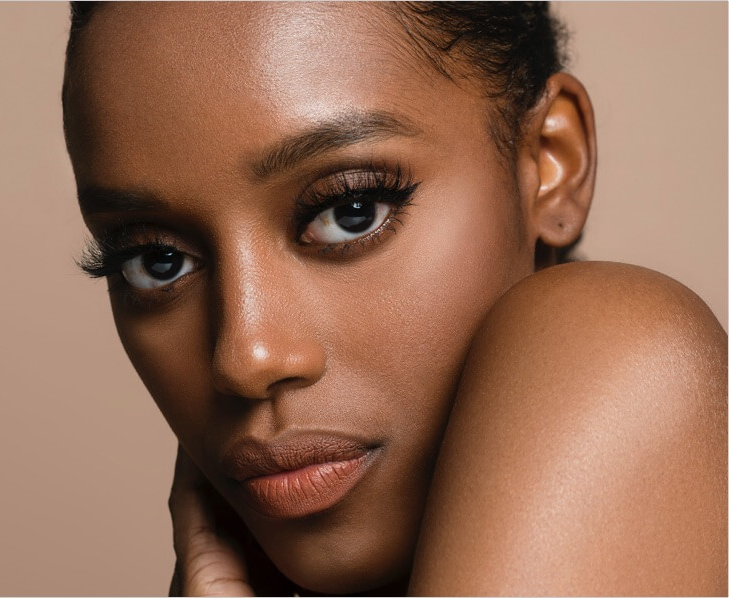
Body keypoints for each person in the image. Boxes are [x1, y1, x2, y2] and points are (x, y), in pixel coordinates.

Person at [62, 2, 727, 595]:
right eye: (157, 261)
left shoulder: (616, 349)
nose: (246, 358)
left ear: (551, 161)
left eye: (350, 211)